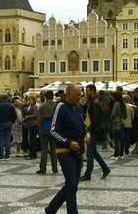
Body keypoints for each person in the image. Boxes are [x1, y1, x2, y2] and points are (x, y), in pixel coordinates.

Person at [46, 84, 85, 214]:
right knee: (72, 183)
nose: (79, 98)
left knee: (72, 185)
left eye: (80, 95)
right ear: (68, 95)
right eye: (76, 96)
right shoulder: (61, 107)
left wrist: (87, 133)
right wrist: (68, 142)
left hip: (77, 151)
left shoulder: (78, 108)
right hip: (64, 151)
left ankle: (51, 209)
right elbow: (53, 131)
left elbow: (82, 125)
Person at [80, 84, 110, 181]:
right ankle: (105, 169)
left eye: (87, 91)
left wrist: (90, 131)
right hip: (91, 130)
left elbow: (96, 119)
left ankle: (88, 174)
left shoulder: (95, 102)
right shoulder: (92, 101)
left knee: (89, 153)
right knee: (94, 152)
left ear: (92, 91)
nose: (86, 92)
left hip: (93, 131)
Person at [37, 90, 58, 174]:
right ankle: (55, 168)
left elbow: (40, 119)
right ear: (53, 96)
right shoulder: (56, 106)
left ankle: (43, 168)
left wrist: (39, 129)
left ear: (45, 96)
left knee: (44, 149)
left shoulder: (42, 106)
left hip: (44, 128)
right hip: (53, 129)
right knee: (53, 149)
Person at [0, 95, 16, 161]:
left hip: (0, 124)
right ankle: (7, 156)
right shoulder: (11, 105)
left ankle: (1, 156)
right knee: (8, 139)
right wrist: (12, 121)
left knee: (1, 140)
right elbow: (14, 115)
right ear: (6, 98)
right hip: (8, 123)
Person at [110, 92, 125, 159]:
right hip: (121, 122)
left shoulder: (116, 104)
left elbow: (113, 114)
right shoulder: (123, 104)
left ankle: (116, 154)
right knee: (121, 139)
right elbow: (125, 115)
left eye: (113, 96)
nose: (112, 98)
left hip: (116, 123)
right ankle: (121, 154)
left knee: (116, 139)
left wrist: (111, 118)